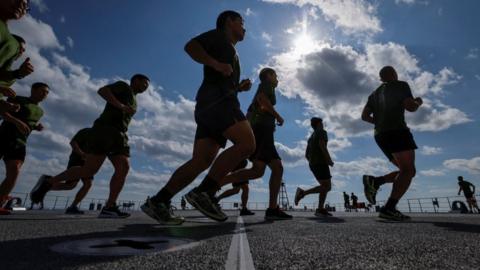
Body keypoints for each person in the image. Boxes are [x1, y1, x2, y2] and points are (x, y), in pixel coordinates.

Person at [142, 10, 254, 224]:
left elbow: (221, 80)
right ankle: (205, 192)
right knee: (248, 144)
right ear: (229, 22)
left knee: (201, 161)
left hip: (210, 105)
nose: (244, 27)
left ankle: (159, 201)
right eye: (241, 22)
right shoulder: (219, 36)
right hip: (219, 104)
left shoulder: (232, 51)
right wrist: (216, 64)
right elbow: (191, 46)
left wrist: (239, 87)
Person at [30, 74, 150, 218]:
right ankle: (48, 182)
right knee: (89, 170)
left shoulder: (134, 99)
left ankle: (109, 206)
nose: (146, 87)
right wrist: (121, 106)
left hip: (120, 135)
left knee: (123, 167)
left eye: (147, 86)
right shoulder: (123, 86)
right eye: (144, 83)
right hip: (105, 129)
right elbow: (102, 91)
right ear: (135, 80)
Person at [206, 67, 292, 220]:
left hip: (260, 131)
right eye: (275, 76)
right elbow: (261, 100)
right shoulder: (267, 85)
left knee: (258, 171)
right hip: (261, 131)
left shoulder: (265, 86)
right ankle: (272, 208)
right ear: (269, 76)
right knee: (277, 168)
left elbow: (252, 109)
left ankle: (215, 184)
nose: (277, 79)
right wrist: (278, 116)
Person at [361, 66, 423, 221]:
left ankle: (376, 181)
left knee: (407, 171)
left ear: (381, 78)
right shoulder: (400, 85)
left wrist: (380, 121)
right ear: (394, 74)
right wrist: (418, 102)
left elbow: (364, 116)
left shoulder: (373, 94)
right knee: (408, 171)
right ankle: (389, 208)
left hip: (380, 135)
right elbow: (410, 107)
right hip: (397, 131)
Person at [0, 82, 49, 215]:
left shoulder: (40, 111)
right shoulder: (18, 99)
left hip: (20, 142)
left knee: (14, 172)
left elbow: (29, 124)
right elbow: (2, 113)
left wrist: (36, 127)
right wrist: (17, 122)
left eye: (47, 93)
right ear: (33, 90)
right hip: (3, 136)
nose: (45, 94)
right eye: (42, 91)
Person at [37, 128, 102, 215]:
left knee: (81, 185)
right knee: (74, 185)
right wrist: (81, 154)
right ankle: (47, 184)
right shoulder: (86, 131)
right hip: (77, 159)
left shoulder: (102, 138)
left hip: (87, 162)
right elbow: (73, 143)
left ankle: (71, 205)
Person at [294, 117, 334, 217]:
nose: (323, 124)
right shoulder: (322, 132)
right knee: (327, 187)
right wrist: (328, 159)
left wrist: (312, 162)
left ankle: (320, 209)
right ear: (319, 124)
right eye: (322, 123)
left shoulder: (311, 137)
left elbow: (306, 154)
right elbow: (322, 145)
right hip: (321, 163)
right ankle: (302, 193)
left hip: (313, 164)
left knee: (324, 186)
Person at [0, 0, 33, 113]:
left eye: (25, 5)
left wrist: (18, 73)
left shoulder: (13, 44)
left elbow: (1, 73)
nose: (21, 5)